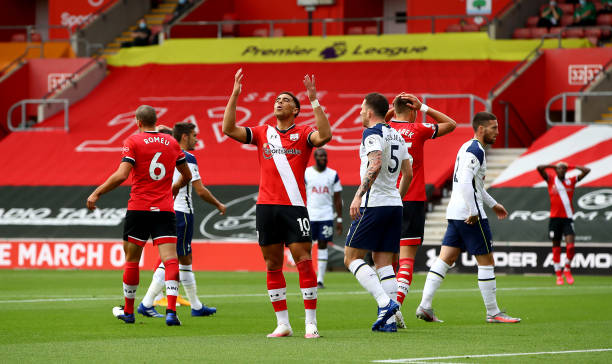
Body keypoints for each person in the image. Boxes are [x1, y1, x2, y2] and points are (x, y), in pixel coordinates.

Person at [222, 69, 332, 338]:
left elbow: (325, 136)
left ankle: (310, 323)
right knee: (272, 265)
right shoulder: (262, 132)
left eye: (285, 100)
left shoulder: (304, 132)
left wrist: (314, 99)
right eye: (277, 100)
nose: (279, 102)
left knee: (304, 260)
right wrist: (234, 96)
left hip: (294, 207)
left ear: (296, 109)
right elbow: (228, 129)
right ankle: (283, 324)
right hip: (266, 207)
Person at [86, 105, 192, 326]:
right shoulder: (172, 142)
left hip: (139, 208)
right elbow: (187, 175)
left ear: (137, 121)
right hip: (164, 209)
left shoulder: (133, 141)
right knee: (170, 260)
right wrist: (174, 187)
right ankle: (171, 312)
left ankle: (129, 312)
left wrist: (97, 192)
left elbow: (122, 174)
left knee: (132, 260)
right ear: (156, 120)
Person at [416, 111, 521, 324]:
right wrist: (474, 211)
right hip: (469, 214)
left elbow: (474, 185)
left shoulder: (465, 147)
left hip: (455, 213)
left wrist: (493, 204)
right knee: (486, 261)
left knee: (446, 258)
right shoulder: (477, 150)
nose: (497, 132)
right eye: (493, 128)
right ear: (481, 129)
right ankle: (493, 312)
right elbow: (465, 182)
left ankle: (425, 306)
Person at [138, 123, 227, 318]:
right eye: (194, 135)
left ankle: (196, 306)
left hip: (162, 209)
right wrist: (219, 204)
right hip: (181, 213)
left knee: (185, 259)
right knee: (173, 259)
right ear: (185, 137)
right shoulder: (187, 157)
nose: (197, 139)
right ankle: (146, 303)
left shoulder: (162, 155)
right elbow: (200, 190)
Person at [386, 93, 456, 328]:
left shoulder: (382, 129)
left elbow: (375, 120)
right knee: (406, 260)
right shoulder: (418, 129)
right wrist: (424, 106)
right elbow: (451, 124)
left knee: (386, 261)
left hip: (384, 198)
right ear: (413, 110)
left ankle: (386, 306)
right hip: (411, 198)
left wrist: (391, 111)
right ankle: (394, 308)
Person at [344, 92, 413, 333]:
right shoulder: (397, 135)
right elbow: (409, 173)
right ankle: (390, 323)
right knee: (383, 263)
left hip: (374, 204)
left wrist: (358, 194)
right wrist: (396, 198)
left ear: (370, 111)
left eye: (362, 109)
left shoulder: (372, 133)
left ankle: (386, 305)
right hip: (394, 204)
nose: (360, 113)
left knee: (351, 258)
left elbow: (375, 162)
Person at [536, 162, 590, 285]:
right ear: (556, 170)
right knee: (556, 247)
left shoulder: (571, 180)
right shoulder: (551, 180)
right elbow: (539, 168)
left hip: (568, 218)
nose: (561, 170)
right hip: (555, 219)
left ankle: (567, 269)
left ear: (566, 170)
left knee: (570, 246)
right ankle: (558, 274)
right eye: (559, 168)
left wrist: (572, 166)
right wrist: (552, 166)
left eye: (563, 168)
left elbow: (587, 170)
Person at [304, 148, 343, 288]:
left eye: (324, 156)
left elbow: (338, 199)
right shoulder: (307, 173)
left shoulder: (332, 174)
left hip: (326, 215)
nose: (322, 158)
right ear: (315, 157)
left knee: (323, 245)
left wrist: (339, 219)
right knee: (306, 246)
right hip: (309, 215)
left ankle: (320, 279)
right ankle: (308, 276)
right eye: (320, 156)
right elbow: (301, 192)